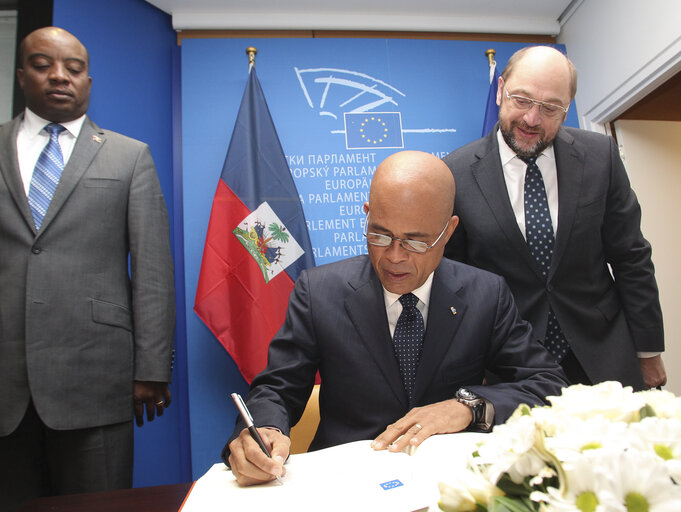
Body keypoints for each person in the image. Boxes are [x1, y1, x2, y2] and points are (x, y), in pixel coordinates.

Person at [224, 150, 567, 486]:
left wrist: (468, 408)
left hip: (449, 484)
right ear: (367, 214)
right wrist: (264, 430)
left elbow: (548, 385)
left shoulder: (486, 295)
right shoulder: (318, 291)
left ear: (448, 232)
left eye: (415, 242)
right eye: (379, 234)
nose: (394, 257)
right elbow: (278, 389)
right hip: (346, 485)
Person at [0, 27, 175, 510]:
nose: (59, 76)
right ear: (21, 76)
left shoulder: (128, 155)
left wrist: (152, 367)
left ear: (88, 82)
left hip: (98, 379)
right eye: (42, 64)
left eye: (73, 68)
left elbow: (154, 270)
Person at [443, 45, 666, 391]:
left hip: (603, 354)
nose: (532, 119)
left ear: (567, 110)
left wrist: (648, 351)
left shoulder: (600, 157)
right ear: (500, 90)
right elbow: (453, 282)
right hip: (509, 364)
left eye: (550, 108)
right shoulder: (454, 173)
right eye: (522, 100)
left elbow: (631, 258)